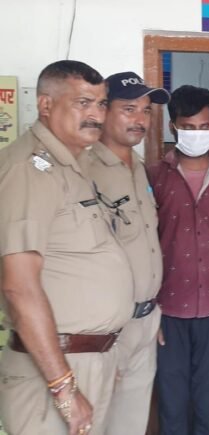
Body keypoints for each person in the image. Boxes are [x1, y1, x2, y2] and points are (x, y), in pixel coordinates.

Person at [0, 60, 134, 435]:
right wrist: (64, 389)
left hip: (87, 358)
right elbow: (19, 286)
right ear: (46, 104)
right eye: (82, 102)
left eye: (101, 103)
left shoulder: (75, 165)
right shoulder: (29, 170)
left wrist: (106, 351)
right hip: (56, 367)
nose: (96, 114)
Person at [147, 85, 209, 435]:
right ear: (173, 126)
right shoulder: (153, 176)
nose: (197, 134)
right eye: (188, 127)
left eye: (204, 127)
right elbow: (142, 245)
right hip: (168, 309)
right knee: (171, 404)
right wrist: (149, 311)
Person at [88, 71, 169, 435]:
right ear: (103, 110)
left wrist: (153, 311)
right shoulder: (83, 169)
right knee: (96, 421)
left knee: (131, 424)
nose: (140, 119)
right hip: (105, 329)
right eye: (129, 109)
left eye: (146, 110)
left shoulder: (139, 169)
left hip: (145, 322)